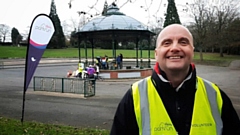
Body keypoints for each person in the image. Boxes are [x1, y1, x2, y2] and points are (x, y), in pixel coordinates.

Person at [110, 24, 240, 135]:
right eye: (167, 43)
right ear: (156, 53)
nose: (175, 48)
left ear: (192, 51)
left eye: (183, 42)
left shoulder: (215, 95)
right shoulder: (134, 96)